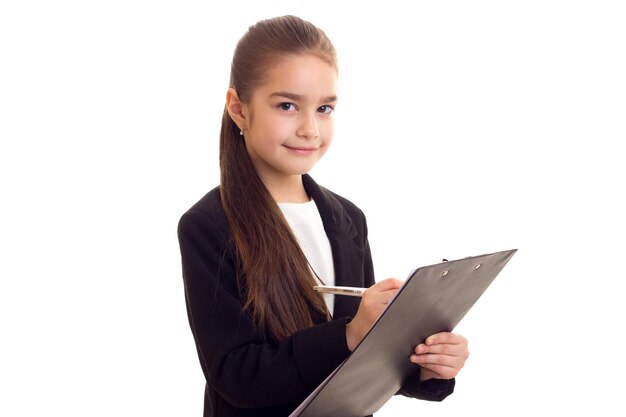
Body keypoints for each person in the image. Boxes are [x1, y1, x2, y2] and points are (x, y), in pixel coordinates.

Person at [177, 15, 469, 417]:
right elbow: (235, 376)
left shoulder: (348, 218)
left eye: (325, 108)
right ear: (239, 110)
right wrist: (348, 335)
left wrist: (428, 366)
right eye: (287, 105)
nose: (310, 129)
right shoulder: (208, 225)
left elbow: (364, 364)